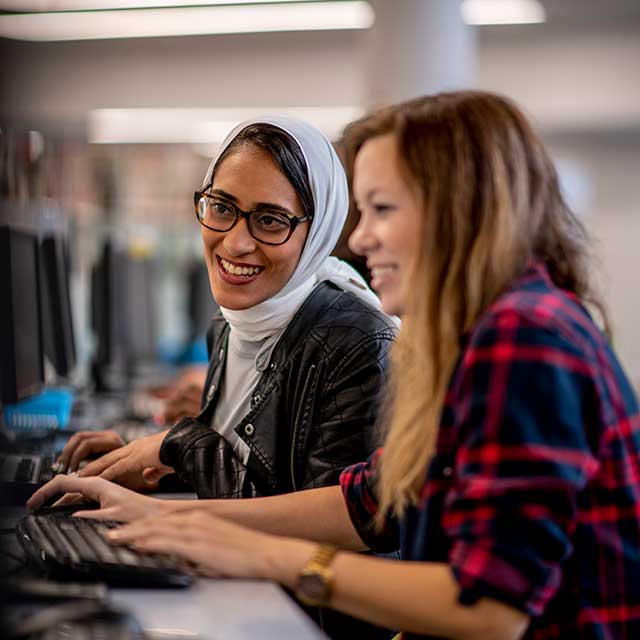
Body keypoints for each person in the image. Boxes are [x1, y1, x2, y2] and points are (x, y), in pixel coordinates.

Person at [31, 91, 640, 639]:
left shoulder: (523, 335)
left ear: (458, 211)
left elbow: (490, 610)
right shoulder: (485, 334)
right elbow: (367, 503)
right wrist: (160, 514)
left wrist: (268, 556)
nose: (360, 239)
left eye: (382, 209)